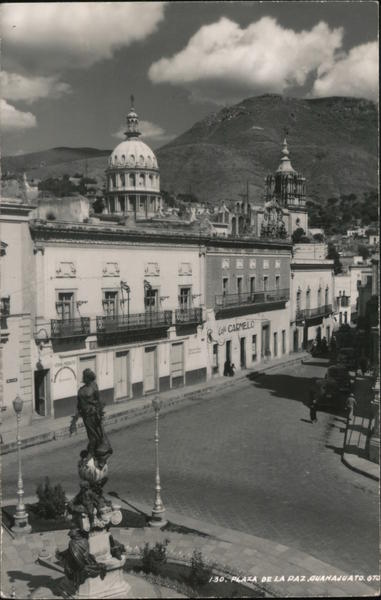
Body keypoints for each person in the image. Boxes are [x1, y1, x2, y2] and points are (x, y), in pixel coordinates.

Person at [71, 369, 113, 467]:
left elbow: (98, 401)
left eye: (85, 376)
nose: (83, 377)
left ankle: (96, 455)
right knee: (91, 436)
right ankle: (93, 454)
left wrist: (99, 413)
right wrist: (74, 421)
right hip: (86, 417)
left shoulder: (94, 387)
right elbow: (78, 406)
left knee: (98, 436)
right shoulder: (80, 391)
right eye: (83, 375)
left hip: (94, 415)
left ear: (89, 378)